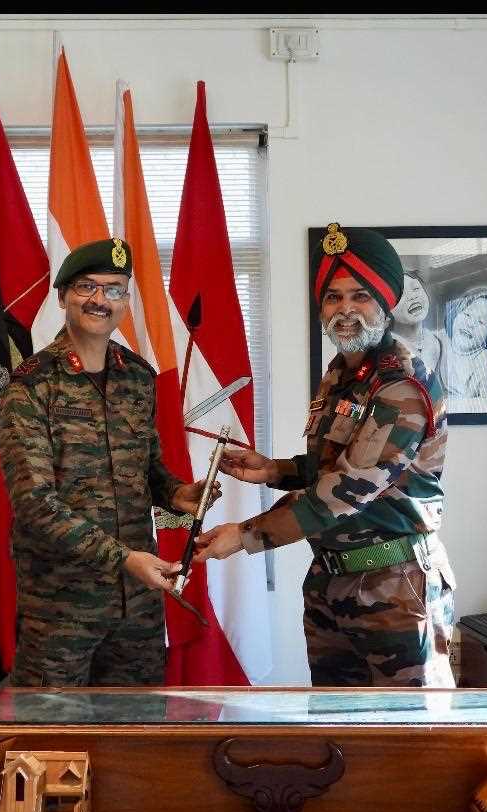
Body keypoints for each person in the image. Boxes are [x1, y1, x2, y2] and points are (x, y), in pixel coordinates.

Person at [193, 224, 456, 687]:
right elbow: (332, 466)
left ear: (386, 304)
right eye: (333, 298)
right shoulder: (341, 375)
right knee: (335, 721)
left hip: (394, 588)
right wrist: (275, 470)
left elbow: (345, 491)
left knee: (407, 727)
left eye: (360, 296)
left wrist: (245, 534)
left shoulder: (399, 386)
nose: (345, 310)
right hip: (331, 580)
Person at [0, 237, 212, 687]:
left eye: (114, 290)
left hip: (137, 605)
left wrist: (177, 493)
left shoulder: (138, 377)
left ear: (125, 301)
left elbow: (147, 469)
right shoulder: (32, 385)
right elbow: (34, 503)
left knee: (139, 722)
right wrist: (123, 558)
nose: (100, 300)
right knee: (50, 723)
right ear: (63, 297)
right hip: (62, 606)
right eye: (87, 287)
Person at [441, 287, 487, 402]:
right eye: (467, 314)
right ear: (456, 314)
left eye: (481, 322)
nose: (470, 323)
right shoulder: (439, 340)